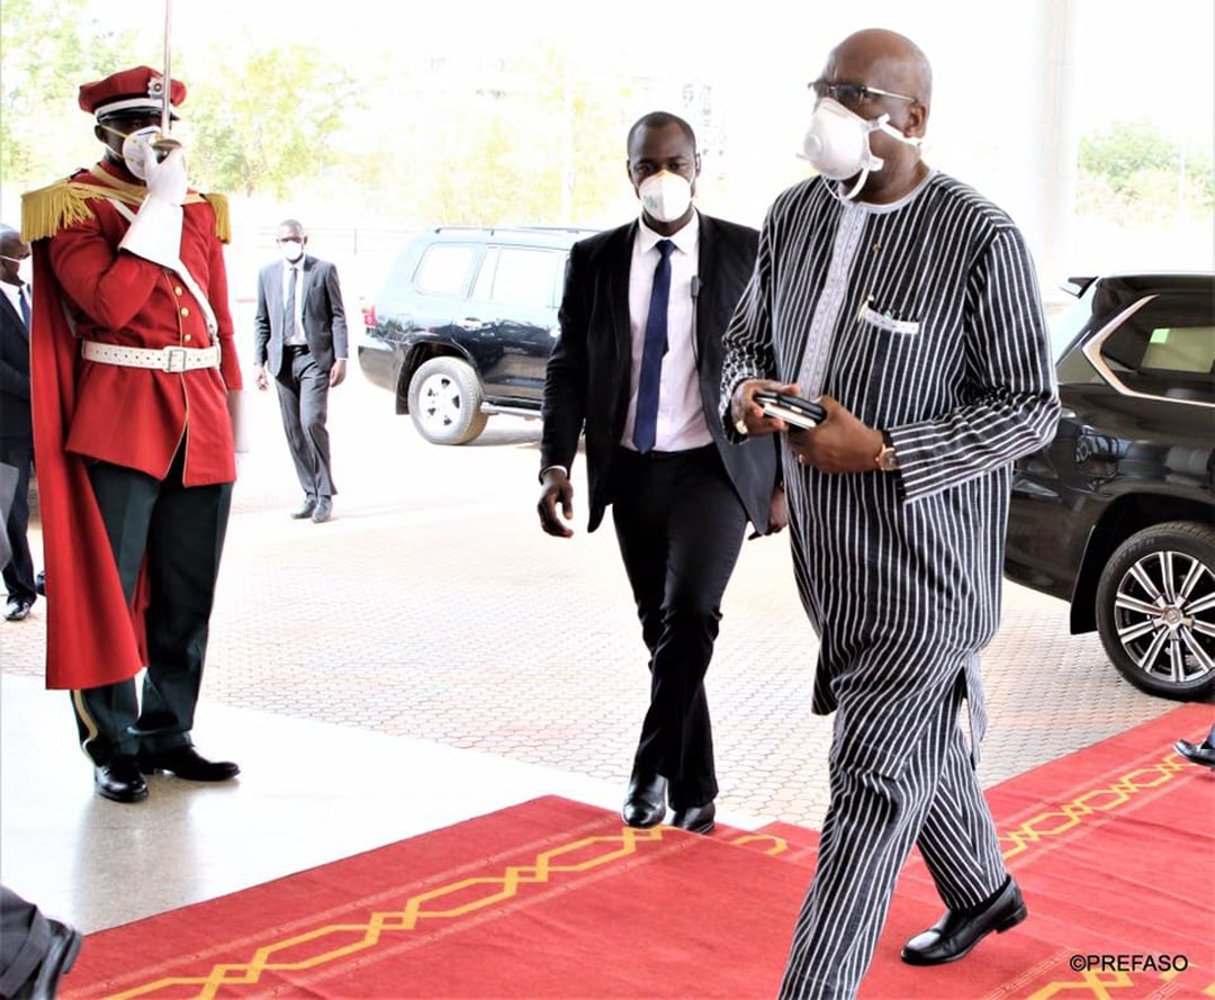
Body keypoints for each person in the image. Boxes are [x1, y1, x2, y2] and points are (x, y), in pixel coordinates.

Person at [720, 30, 1060, 997]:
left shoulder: (976, 236)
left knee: (868, 779)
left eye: (854, 95)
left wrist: (884, 450)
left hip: (928, 572)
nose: (829, 111)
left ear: (910, 119)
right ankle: (983, 890)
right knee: (911, 740)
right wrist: (748, 388)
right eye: (823, 90)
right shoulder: (791, 217)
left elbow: (1027, 407)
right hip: (831, 566)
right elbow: (747, 334)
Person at [538, 111, 782, 836]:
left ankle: (648, 766)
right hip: (634, 468)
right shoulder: (594, 259)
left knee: (691, 615)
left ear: (698, 166)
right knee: (663, 632)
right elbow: (567, 369)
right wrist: (555, 464)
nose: (662, 178)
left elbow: (783, 367)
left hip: (715, 465)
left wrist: (782, 484)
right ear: (629, 174)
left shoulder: (748, 251)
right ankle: (696, 786)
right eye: (648, 166)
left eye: (675, 163)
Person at [21, 65, 242, 804]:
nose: (156, 142)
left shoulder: (202, 208)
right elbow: (111, 305)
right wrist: (159, 205)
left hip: (197, 412)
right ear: (107, 134)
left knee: (188, 593)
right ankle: (110, 742)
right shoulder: (72, 207)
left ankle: (167, 731)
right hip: (119, 415)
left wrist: (233, 411)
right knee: (108, 593)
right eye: (137, 130)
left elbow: (219, 317)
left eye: (163, 129)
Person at [252, 219, 348, 523]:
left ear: (304, 239)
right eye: (284, 240)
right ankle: (309, 493)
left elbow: (337, 316)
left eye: (294, 238)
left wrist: (341, 357)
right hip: (282, 361)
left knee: (311, 422)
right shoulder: (267, 274)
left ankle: (324, 496)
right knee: (293, 431)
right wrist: (258, 362)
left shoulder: (322, 270)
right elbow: (261, 320)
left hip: (314, 359)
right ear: (277, 243)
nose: (290, 243)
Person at [0, 225, 38, 622]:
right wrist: (37, 389)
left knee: (66, 503)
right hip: (8, 426)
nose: (25, 258)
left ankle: (54, 577)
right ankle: (20, 591)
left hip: (50, 422)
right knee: (10, 514)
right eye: (17, 253)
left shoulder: (36, 294)